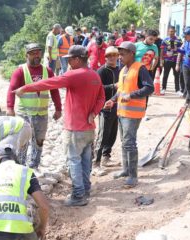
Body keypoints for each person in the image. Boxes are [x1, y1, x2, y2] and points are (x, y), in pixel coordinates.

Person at [13, 45, 105, 206]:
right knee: (85, 160)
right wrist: (93, 113)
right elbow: (101, 98)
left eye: (70, 59)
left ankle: (78, 196)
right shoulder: (94, 75)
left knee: (73, 160)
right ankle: (86, 189)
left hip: (74, 129)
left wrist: (25, 88)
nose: (68, 62)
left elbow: (49, 83)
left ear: (77, 59)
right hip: (89, 128)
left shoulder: (74, 75)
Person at [104, 42, 154, 188]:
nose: (120, 57)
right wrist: (112, 100)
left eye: (123, 54)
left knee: (130, 143)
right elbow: (121, 90)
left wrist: (131, 95)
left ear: (132, 53)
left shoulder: (140, 68)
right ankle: (126, 170)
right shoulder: (123, 70)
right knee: (125, 142)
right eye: (119, 54)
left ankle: (133, 175)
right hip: (122, 111)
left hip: (133, 113)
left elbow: (149, 87)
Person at [7, 43, 62, 169]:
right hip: (24, 114)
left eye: (38, 52)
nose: (36, 55)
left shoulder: (47, 71)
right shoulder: (20, 71)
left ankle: (34, 165)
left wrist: (58, 108)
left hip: (41, 113)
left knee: (39, 140)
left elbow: (54, 90)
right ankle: (20, 166)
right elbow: (11, 90)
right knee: (23, 141)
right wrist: (10, 108)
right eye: (32, 53)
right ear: (26, 55)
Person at [94, 46, 120, 167]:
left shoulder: (120, 70)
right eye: (109, 55)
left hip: (117, 106)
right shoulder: (101, 71)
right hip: (105, 107)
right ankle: (96, 162)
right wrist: (112, 86)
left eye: (114, 55)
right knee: (103, 134)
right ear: (105, 57)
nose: (112, 58)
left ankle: (106, 157)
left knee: (113, 133)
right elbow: (96, 88)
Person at [160, 26, 183, 95]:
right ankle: (163, 89)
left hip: (176, 60)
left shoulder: (179, 39)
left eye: (172, 31)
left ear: (175, 31)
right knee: (165, 75)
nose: (171, 33)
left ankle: (177, 90)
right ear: (168, 31)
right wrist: (161, 60)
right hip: (167, 60)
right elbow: (161, 51)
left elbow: (181, 50)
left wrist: (177, 49)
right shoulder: (164, 40)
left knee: (176, 75)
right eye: (170, 31)